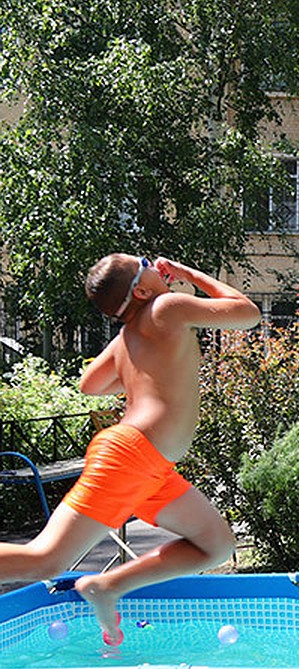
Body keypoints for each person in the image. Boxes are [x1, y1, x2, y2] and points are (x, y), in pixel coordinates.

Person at [0, 254, 260, 642]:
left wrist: (140, 362)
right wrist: (187, 273)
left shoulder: (131, 336)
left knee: (216, 546)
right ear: (141, 289)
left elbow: (91, 383)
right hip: (131, 456)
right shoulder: (166, 306)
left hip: (151, 467)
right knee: (47, 559)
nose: (156, 264)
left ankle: (108, 586)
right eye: (144, 262)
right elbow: (248, 312)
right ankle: (105, 587)